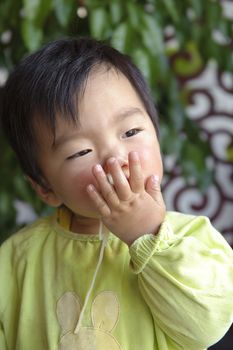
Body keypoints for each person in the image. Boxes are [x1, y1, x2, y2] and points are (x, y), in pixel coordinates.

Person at [0, 37, 232, 350]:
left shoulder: (193, 239)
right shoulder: (17, 258)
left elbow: (207, 328)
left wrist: (147, 235)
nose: (115, 159)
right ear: (44, 187)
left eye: (131, 132)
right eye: (81, 151)